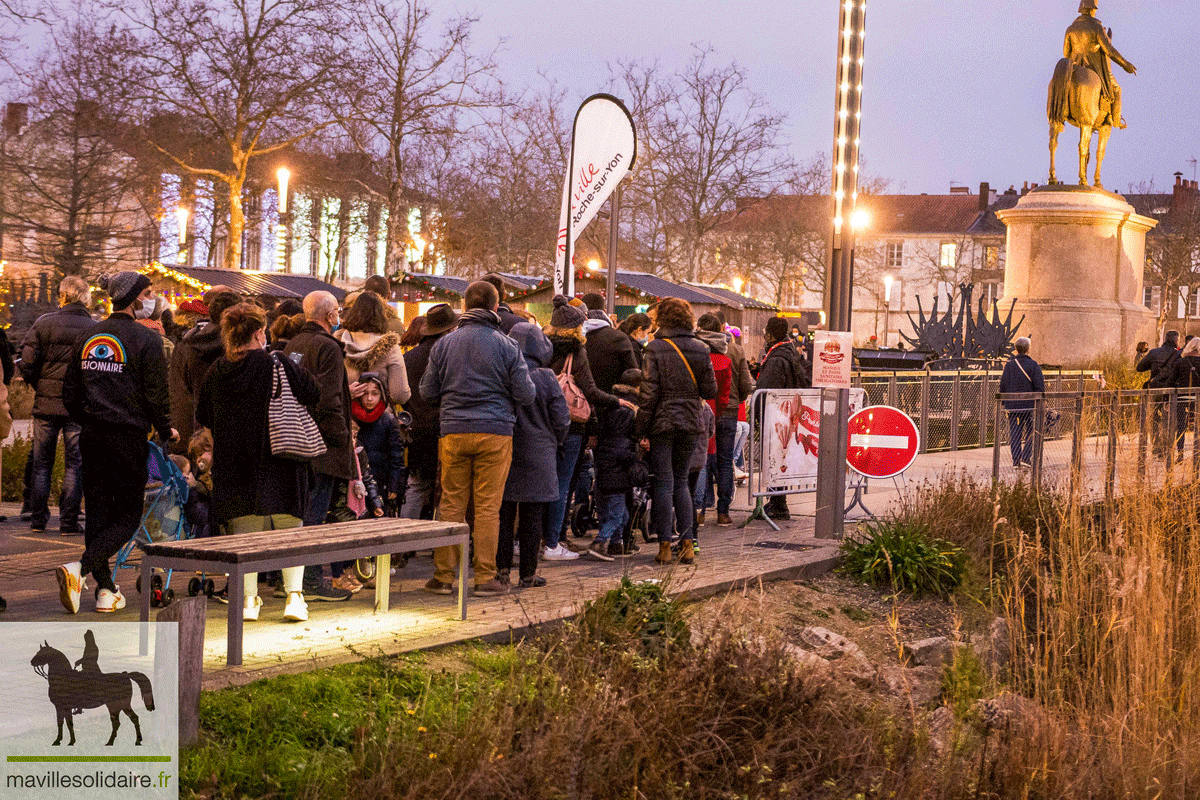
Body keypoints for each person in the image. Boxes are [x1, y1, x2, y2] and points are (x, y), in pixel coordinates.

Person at [57, 271, 177, 614]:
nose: (152, 298)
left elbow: (70, 392)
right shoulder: (146, 341)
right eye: (149, 292)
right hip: (128, 437)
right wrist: (166, 429)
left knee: (97, 511)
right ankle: (79, 569)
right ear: (137, 298)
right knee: (126, 515)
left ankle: (106, 591)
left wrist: (90, 417)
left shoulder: (89, 336)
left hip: (93, 436)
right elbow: (157, 395)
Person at [196, 302, 321, 622]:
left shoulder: (217, 370)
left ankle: (248, 600)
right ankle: (294, 598)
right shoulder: (277, 363)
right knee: (290, 530)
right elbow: (313, 393)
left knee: (244, 535)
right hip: (281, 461)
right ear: (259, 332)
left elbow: (204, 418)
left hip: (235, 467)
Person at [419, 281, 536, 596]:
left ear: (465, 304)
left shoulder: (444, 344)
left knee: (451, 503)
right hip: (495, 433)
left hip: (454, 432)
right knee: (487, 507)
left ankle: (443, 576)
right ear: (496, 307)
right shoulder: (507, 345)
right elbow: (526, 394)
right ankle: (485, 577)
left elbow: (427, 391)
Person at [282, 291, 356, 601]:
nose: (339, 317)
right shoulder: (328, 348)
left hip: (296, 438)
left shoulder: (293, 344)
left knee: (300, 511)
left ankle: (289, 580)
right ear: (329, 316)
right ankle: (310, 580)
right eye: (337, 312)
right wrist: (341, 438)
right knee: (315, 512)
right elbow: (329, 399)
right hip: (322, 442)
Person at [544, 296, 629, 560]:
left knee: (545, 482)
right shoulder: (576, 350)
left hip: (544, 421)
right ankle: (553, 541)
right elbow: (589, 390)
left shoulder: (544, 347)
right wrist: (618, 401)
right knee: (563, 483)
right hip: (571, 425)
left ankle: (540, 537)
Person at [637, 298, 718, 565]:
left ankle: (663, 546)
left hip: (662, 423)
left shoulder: (655, 348)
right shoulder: (701, 348)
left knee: (663, 483)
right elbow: (710, 391)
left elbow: (649, 394)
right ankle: (687, 545)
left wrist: (641, 429)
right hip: (692, 423)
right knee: (682, 483)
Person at [19, 276, 95, 535]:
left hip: (46, 406)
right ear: (85, 297)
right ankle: (69, 522)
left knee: (41, 463)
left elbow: (27, 363)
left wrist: (40, 385)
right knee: (75, 464)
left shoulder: (44, 323)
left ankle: (38, 519)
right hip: (78, 407)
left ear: (62, 295)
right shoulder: (94, 328)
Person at [498, 322, 568, 585]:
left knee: (503, 514)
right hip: (540, 453)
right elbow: (562, 419)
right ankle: (528, 573)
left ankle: (501, 568)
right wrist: (555, 440)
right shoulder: (547, 377)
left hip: (506, 449)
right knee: (533, 516)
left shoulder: (504, 372)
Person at [167, 290, 241, 455]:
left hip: (187, 436)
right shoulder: (235, 351)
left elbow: (176, 390)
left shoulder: (186, 344)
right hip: (222, 441)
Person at [401, 304, 457, 521]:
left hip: (416, 429)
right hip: (444, 429)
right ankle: (440, 545)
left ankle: (404, 543)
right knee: (447, 489)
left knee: (416, 487)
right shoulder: (448, 355)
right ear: (448, 329)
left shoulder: (409, 357)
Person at [756, 317, 809, 520]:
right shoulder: (789, 352)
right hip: (788, 414)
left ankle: (778, 504)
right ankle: (778, 502)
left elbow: (766, 388)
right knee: (781, 457)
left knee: (775, 458)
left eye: (764, 331)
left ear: (770, 335)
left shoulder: (777, 358)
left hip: (777, 416)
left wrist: (761, 414)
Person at [590, 368, 642, 560]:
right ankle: (600, 542)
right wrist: (632, 456)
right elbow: (622, 443)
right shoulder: (631, 410)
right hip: (618, 466)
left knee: (614, 510)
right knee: (618, 513)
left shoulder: (610, 403)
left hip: (603, 461)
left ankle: (615, 544)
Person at [1062, 0, 1136, 130]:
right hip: (1094, 66)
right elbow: (1109, 51)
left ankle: (1061, 109)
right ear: (1091, 9)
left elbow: (1066, 53)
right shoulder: (1097, 28)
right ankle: (1116, 120)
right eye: (1095, 9)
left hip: (1073, 66)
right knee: (1117, 89)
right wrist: (1125, 64)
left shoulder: (1070, 29)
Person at [692, 314, 732, 527]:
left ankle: (699, 508)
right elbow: (724, 393)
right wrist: (719, 411)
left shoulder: (693, 353)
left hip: (693, 410)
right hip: (715, 413)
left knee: (700, 463)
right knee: (721, 462)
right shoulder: (725, 360)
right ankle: (723, 512)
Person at [337, 291, 411, 405]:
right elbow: (399, 394)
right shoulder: (390, 347)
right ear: (382, 315)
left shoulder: (337, 341)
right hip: (378, 418)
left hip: (345, 416)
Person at [351, 372, 406, 516]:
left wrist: (394, 485)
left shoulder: (388, 420)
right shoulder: (352, 418)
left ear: (382, 395)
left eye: (374, 393)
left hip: (381, 481)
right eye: (365, 393)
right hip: (356, 483)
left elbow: (396, 455)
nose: (369, 398)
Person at [999, 337, 1045, 469]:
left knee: (1015, 433)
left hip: (1012, 405)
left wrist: (1004, 402)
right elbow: (1039, 387)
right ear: (1028, 349)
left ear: (1016, 349)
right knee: (1031, 431)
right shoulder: (1034, 365)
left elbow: (1003, 385)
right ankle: (1026, 458)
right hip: (1029, 405)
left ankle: (1016, 461)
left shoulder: (1009, 365)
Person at [581, 298, 638, 394]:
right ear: (605, 311)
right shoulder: (618, 337)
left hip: (578, 401)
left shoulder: (575, 337)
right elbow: (632, 373)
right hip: (612, 400)